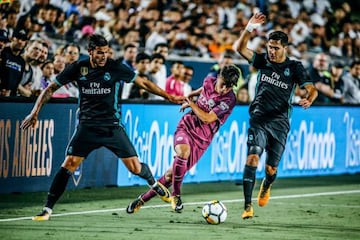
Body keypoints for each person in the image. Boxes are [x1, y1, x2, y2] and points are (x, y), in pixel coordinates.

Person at [20, 34, 184, 221]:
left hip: (111, 127)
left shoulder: (114, 67)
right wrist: (34, 113)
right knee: (68, 164)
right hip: (87, 127)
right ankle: (47, 209)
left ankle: (154, 183)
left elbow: (144, 83)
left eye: (106, 52)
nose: (103, 56)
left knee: (135, 167)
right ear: (90, 52)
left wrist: (168, 96)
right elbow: (50, 89)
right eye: (99, 53)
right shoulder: (77, 68)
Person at [233, 12, 318, 219]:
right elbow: (239, 49)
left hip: (280, 123)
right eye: (270, 47)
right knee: (253, 156)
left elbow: (311, 88)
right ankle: (247, 206)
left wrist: (310, 98)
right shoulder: (262, 61)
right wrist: (249, 27)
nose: (271, 51)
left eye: (276, 48)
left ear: (285, 48)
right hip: (259, 118)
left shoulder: (294, 67)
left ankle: (266, 185)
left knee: (271, 169)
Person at [126, 64, 240, 214]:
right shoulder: (208, 80)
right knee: (183, 151)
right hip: (187, 125)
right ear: (218, 77)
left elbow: (207, 119)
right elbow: (202, 90)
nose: (225, 88)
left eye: (229, 86)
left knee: (169, 175)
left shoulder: (230, 99)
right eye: (223, 84)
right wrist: (191, 96)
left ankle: (141, 200)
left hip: (203, 139)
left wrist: (191, 103)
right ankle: (176, 196)